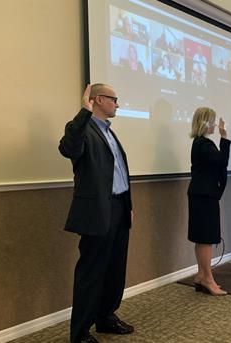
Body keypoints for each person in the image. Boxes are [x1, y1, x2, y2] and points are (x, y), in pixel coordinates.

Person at [59, 84, 134, 343]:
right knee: (91, 272)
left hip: (118, 208)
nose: (118, 104)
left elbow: (118, 173)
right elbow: (68, 148)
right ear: (99, 100)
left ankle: (106, 317)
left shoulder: (110, 133)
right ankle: (80, 332)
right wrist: (83, 112)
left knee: (115, 269)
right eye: (114, 99)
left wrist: (128, 207)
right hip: (96, 212)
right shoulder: (83, 129)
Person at [187, 107, 230, 296]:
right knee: (206, 238)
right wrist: (225, 136)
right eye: (212, 121)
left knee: (202, 238)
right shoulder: (204, 144)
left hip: (201, 194)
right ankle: (208, 279)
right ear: (205, 122)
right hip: (204, 196)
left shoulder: (200, 143)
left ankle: (201, 275)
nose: (215, 124)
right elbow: (222, 161)